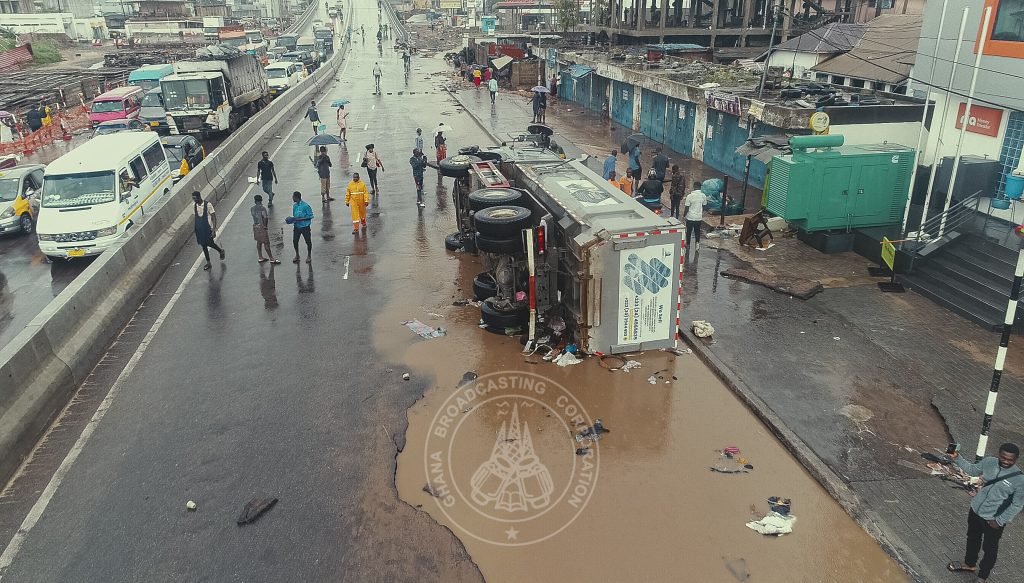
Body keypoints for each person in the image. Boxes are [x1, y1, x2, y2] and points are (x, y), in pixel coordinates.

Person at [947, 443, 1024, 582]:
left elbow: (1017, 504)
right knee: (972, 538)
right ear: (999, 454)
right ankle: (969, 564)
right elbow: (972, 470)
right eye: (1003, 457)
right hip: (976, 510)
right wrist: (956, 457)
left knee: (989, 549)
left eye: (1010, 459)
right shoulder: (989, 462)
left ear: (1016, 459)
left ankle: (983, 576)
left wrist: (999, 521)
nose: (1006, 461)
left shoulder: (1019, 480)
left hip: (993, 520)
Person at [192, 191, 225, 271]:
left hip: (208, 228)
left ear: (199, 197)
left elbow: (213, 217)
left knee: (210, 243)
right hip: (200, 230)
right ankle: (208, 262)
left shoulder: (208, 205)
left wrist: (213, 230)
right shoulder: (194, 206)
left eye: (195, 198)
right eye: (193, 198)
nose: (194, 200)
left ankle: (220, 251)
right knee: (203, 246)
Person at [251, 194, 279, 264]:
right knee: (266, 243)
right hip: (261, 227)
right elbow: (265, 217)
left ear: (255, 201)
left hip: (255, 226)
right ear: (261, 200)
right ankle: (271, 258)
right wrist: (265, 226)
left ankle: (260, 257)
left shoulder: (252, 208)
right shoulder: (262, 208)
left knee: (259, 242)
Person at [289, 191, 314, 263]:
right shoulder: (294, 206)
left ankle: (309, 256)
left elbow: (310, 216)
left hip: (305, 227)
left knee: (308, 241)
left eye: (293, 197)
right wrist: (292, 220)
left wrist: (299, 219)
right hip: (297, 226)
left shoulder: (306, 206)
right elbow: (295, 216)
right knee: (295, 241)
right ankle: (297, 255)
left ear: (296, 197)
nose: (292, 198)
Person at [683, 181, 707, 251]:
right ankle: (697, 244)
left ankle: (688, 244)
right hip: (698, 218)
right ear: (700, 187)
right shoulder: (703, 196)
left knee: (689, 232)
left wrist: (684, 215)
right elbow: (705, 206)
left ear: (694, 186)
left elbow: (686, 208)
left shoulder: (690, 196)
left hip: (690, 217)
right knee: (697, 231)